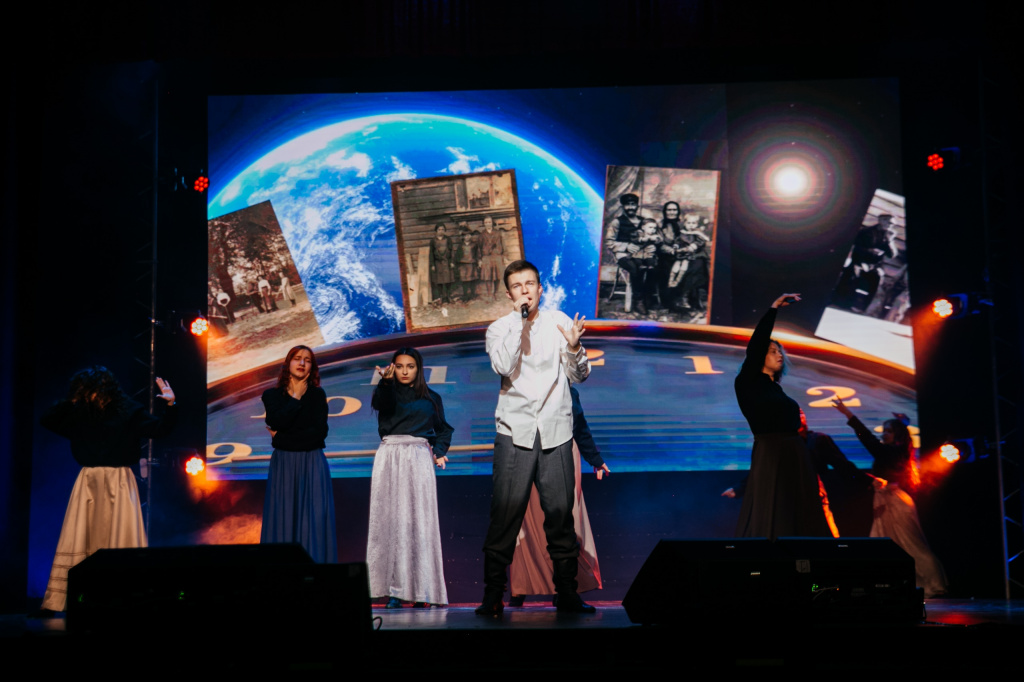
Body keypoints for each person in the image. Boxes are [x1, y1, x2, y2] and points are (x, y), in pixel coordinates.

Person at [477, 260, 593, 616]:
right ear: (508, 294)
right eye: (517, 286)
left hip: (556, 432)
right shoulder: (499, 328)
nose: (525, 290)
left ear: (541, 288)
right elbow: (503, 366)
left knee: (560, 516)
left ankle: (567, 593)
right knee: (505, 515)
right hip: (515, 432)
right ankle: (493, 595)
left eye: (530, 284)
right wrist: (519, 321)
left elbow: (580, 375)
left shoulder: (560, 322)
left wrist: (573, 348)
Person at [37, 368, 177, 614]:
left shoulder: (128, 411)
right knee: (81, 535)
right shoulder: (81, 413)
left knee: (119, 534)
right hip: (89, 480)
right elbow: (47, 419)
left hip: (118, 480)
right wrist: (71, 401)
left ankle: (125, 598)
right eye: (84, 391)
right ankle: (64, 598)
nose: (90, 395)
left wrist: (171, 404)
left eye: (91, 390)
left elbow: (160, 430)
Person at [733, 294, 831, 539]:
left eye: (779, 351)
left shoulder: (775, 388)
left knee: (801, 512)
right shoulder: (748, 383)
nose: (779, 354)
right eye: (772, 351)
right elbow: (756, 345)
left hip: (793, 454)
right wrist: (773, 309)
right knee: (776, 510)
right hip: (772, 453)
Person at [832, 398, 948, 596]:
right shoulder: (892, 451)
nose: (884, 434)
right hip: (883, 500)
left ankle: (934, 585)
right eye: (884, 430)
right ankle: (891, 585)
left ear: (898, 435)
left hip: (895, 502)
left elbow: (868, 440)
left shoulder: (895, 452)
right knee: (883, 545)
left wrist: (849, 414)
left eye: (889, 431)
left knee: (912, 545)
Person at [508, 385, 610, 605]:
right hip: (531, 452)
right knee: (532, 521)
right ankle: (523, 585)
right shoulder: (523, 385)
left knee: (565, 519)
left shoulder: (568, 391)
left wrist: (595, 459)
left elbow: (579, 426)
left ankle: (564, 587)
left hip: (564, 453)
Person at [367, 347, 453, 607]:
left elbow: (443, 430)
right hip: (390, 457)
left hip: (418, 458)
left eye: (410, 366)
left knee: (419, 522)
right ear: (393, 368)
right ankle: (394, 591)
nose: (405, 371)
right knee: (391, 522)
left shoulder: (431, 398)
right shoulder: (387, 392)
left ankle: (422, 591)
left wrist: (439, 452)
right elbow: (381, 404)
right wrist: (385, 382)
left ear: (418, 368)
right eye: (400, 366)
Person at [261, 345, 336, 563]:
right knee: (282, 518)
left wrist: (280, 439)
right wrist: (295, 398)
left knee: (313, 521)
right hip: (284, 465)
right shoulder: (271, 395)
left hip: (312, 462)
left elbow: (319, 435)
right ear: (288, 363)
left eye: (307, 360)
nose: (302, 363)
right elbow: (276, 421)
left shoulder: (317, 395)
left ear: (312, 367)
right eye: (297, 358)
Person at [604, 192, 649, 314]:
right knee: (634, 268)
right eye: (627, 205)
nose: (630, 207)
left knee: (651, 266)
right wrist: (626, 246)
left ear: (637, 206)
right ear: (623, 206)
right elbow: (609, 242)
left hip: (642, 253)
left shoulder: (644, 221)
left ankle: (648, 297)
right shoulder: (617, 222)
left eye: (633, 204)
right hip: (623, 255)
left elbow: (653, 234)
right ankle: (638, 300)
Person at [477, 216, 505, 299]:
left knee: (497, 275)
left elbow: (502, 245)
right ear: (484, 224)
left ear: (492, 223)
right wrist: (479, 259)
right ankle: (489, 294)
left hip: (496, 256)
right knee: (487, 276)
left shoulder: (498, 233)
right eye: (486, 222)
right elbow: (479, 248)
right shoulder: (482, 235)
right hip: (486, 257)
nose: (488, 224)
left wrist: (503, 256)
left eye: (489, 222)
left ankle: (496, 293)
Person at [429, 223, 455, 303]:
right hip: (438, 263)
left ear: (445, 230)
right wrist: (432, 264)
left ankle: (448, 296)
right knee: (439, 281)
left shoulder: (448, 239)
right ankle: (441, 297)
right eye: (439, 229)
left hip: (446, 262)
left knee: (448, 280)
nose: (441, 231)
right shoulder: (433, 241)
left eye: (442, 229)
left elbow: (451, 251)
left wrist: (452, 262)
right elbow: (431, 253)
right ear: (436, 231)